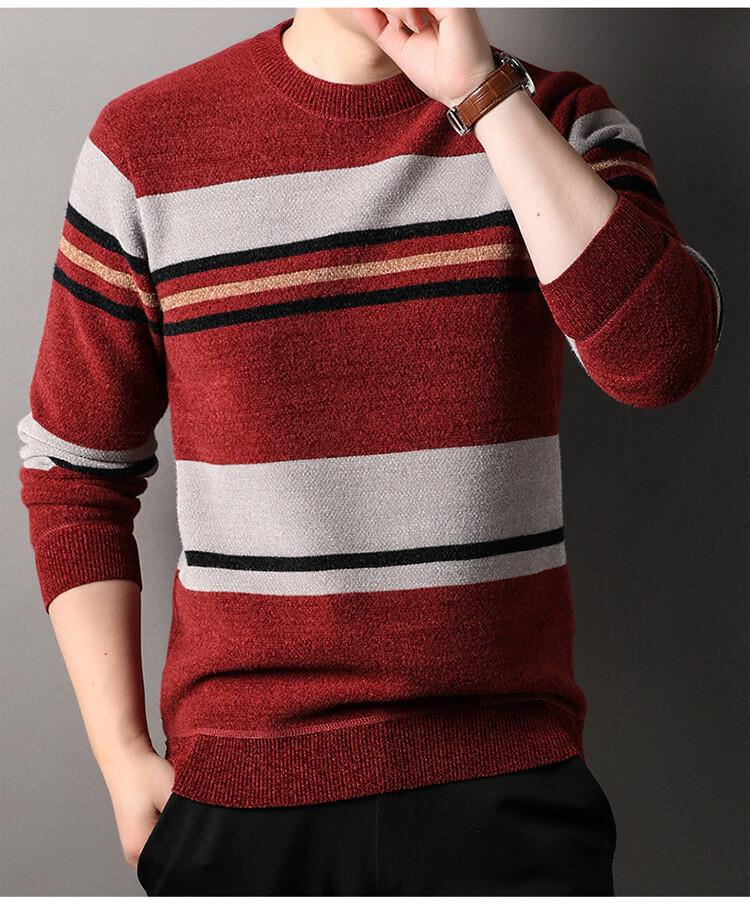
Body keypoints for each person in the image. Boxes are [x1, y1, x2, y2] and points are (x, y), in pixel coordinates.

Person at [16, 6, 722, 897]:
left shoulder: (555, 115)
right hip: (242, 794)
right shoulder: (143, 145)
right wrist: (122, 757)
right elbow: (72, 470)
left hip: (506, 783)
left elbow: (662, 361)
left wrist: (485, 97)